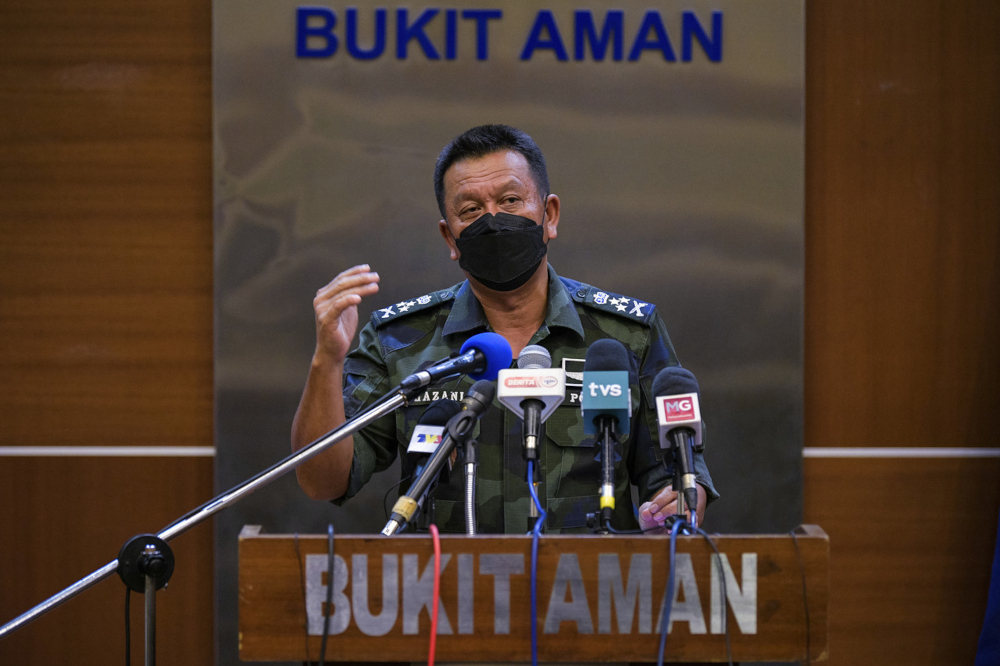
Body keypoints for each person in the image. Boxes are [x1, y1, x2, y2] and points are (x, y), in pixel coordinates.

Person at [291, 124, 717, 534]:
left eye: (511, 200)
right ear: (450, 239)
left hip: (589, 595)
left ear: (549, 215)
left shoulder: (626, 336)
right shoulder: (399, 341)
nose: (492, 220)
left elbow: (678, 478)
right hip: (445, 595)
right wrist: (326, 361)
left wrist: (679, 500)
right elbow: (323, 480)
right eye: (471, 210)